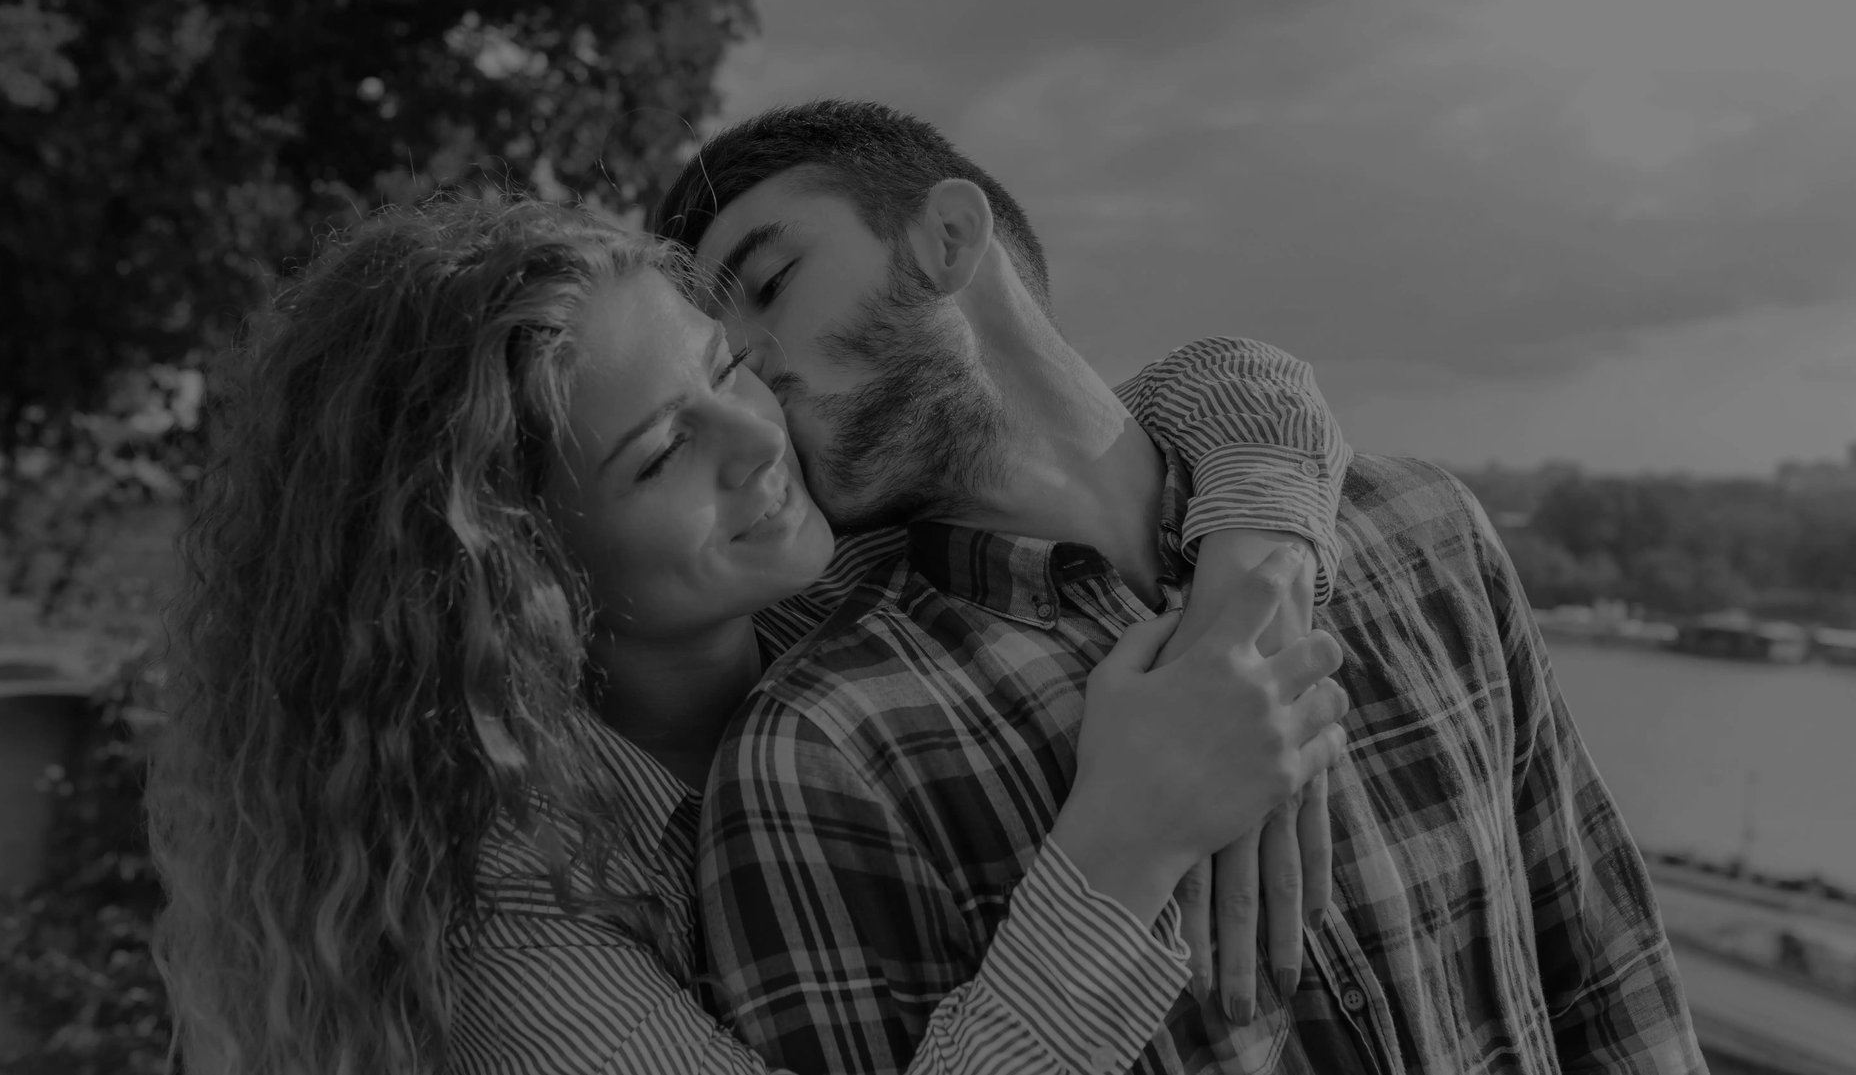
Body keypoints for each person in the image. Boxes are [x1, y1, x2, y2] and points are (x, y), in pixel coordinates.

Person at [146, 196, 1356, 1074]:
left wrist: (1248, 598)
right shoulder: (504, 920)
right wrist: (1125, 844)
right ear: (514, 569)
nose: (761, 439)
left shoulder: (832, 576)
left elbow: (1214, 390)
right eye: (664, 452)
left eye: (727, 369)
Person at [654, 99, 1707, 1074]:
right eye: (719, 361)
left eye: (770, 284)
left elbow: (1613, 989)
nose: (750, 367)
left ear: (950, 237)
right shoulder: (819, 753)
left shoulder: (1426, 532)